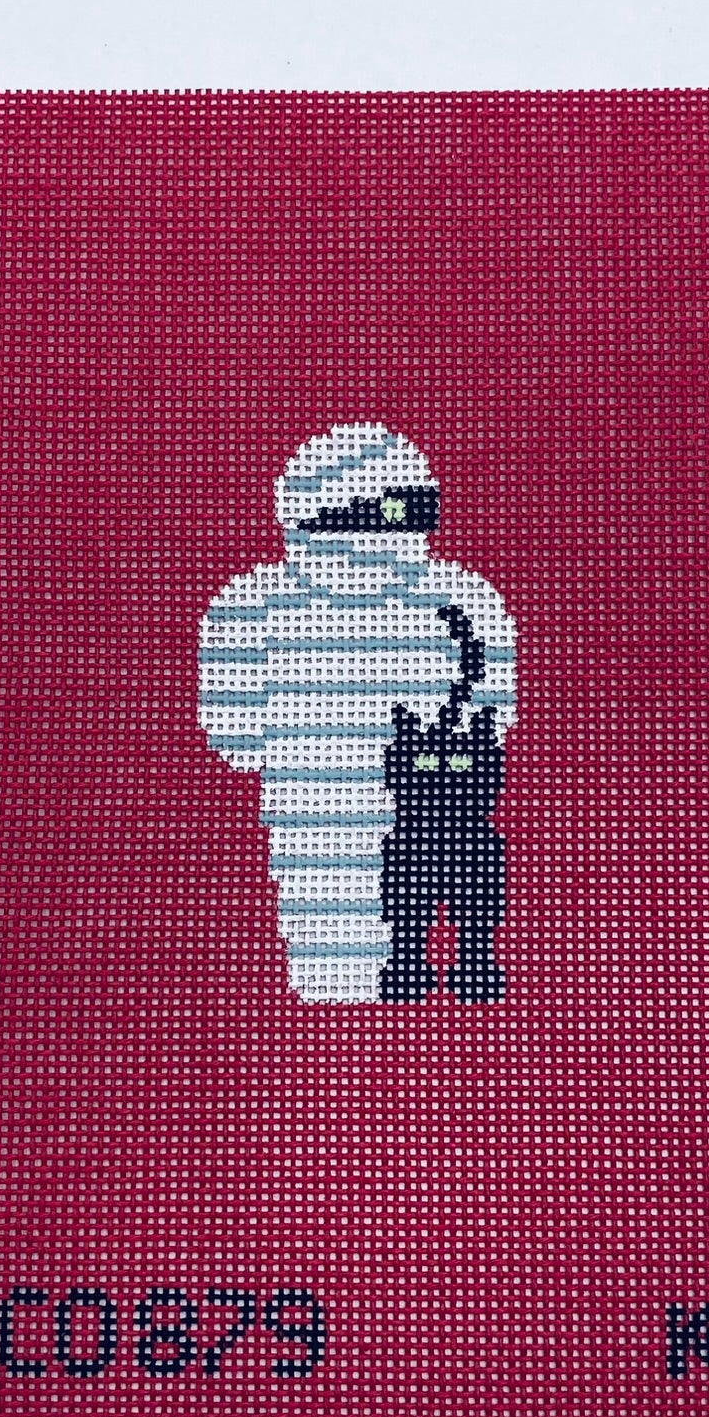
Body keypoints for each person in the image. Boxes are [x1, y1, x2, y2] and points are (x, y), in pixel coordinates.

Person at [198, 423, 517, 1004]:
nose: (383, 536)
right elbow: (496, 714)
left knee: (396, 932)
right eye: (381, 513)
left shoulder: (252, 604)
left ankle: (403, 1001)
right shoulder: (464, 597)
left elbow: (233, 733)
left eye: (403, 512)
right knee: (350, 938)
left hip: (393, 806)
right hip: (342, 807)